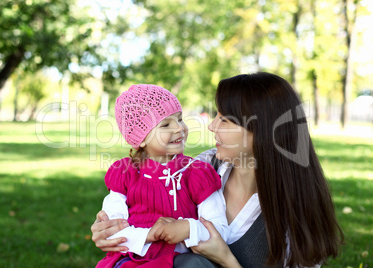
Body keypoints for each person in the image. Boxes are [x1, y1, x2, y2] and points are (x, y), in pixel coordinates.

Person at [91, 73, 344, 268]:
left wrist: (225, 258)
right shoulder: (204, 166)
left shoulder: (297, 210)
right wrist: (110, 230)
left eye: (224, 119)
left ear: (264, 131)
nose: (211, 126)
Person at [95, 84, 228, 268]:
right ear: (141, 139)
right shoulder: (126, 173)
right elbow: (112, 232)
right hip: (134, 261)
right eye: (166, 125)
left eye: (180, 119)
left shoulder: (197, 172)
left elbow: (220, 229)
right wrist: (150, 234)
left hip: (183, 262)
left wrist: (189, 228)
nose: (179, 128)